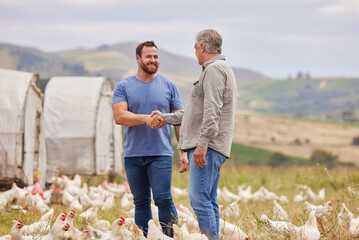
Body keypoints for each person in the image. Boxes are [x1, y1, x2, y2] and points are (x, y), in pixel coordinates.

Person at [150, 29, 237, 239]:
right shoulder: (218, 69)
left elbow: (212, 109)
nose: (195, 52)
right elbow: (193, 113)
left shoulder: (214, 70)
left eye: (195, 47)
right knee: (208, 198)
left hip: (208, 147)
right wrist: (164, 117)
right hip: (212, 146)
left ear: (202, 47)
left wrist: (202, 144)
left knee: (199, 199)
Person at [112, 41, 189, 237]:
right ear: (138, 58)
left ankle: (169, 236)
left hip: (161, 153)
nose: (153, 60)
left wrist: (183, 151)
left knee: (163, 199)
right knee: (140, 201)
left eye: (156, 56)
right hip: (133, 154)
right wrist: (147, 118)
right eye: (149, 56)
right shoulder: (123, 86)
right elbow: (119, 116)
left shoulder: (169, 86)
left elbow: (180, 120)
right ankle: (145, 237)